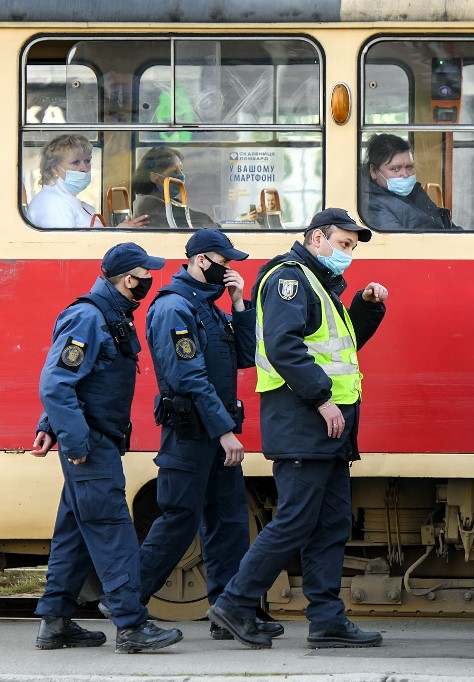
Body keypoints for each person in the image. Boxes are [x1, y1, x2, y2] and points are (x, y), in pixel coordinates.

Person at [208, 208, 388, 649]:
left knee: (330, 523)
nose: (348, 253)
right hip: (304, 420)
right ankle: (234, 604)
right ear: (316, 238)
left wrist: (366, 308)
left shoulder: (320, 284)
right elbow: (285, 349)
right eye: (343, 244)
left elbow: (341, 348)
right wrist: (323, 400)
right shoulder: (290, 280)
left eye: (352, 247)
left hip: (327, 428)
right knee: (294, 520)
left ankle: (326, 619)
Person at [30, 243, 182, 653]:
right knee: (112, 531)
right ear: (128, 278)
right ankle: (132, 627)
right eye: (145, 273)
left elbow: (79, 381)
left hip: (93, 440)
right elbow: (57, 382)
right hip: (91, 444)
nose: (150, 280)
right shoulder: (89, 317)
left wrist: (51, 426)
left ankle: (55, 622)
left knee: (75, 532)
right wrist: (74, 440)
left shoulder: (111, 315)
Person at [135, 229, 281, 641]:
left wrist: (240, 306)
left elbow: (244, 357)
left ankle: (230, 610)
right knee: (179, 521)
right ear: (201, 260)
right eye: (223, 261)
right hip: (192, 434)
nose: (229, 268)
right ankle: (127, 603)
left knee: (229, 521)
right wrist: (224, 432)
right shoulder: (174, 309)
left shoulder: (210, 308)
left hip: (215, 433)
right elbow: (190, 378)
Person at [26, 134, 149, 228]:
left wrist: (119, 231)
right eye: (75, 162)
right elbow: (69, 251)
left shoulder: (66, 200)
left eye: (87, 161)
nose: (84, 168)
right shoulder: (53, 204)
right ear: (54, 168)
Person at [361, 133, 459, 231]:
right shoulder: (371, 205)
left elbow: (442, 222)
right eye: (395, 169)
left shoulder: (416, 192)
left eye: (409, 167)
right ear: (373, 171)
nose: (405, 174)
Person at [132, 146, 217, 229]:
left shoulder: (167, 201)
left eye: (181, 170)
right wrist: (213, 224)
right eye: (174, 171)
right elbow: (196, 220)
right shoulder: (150, 205)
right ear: (154, 177)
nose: (181, 176)